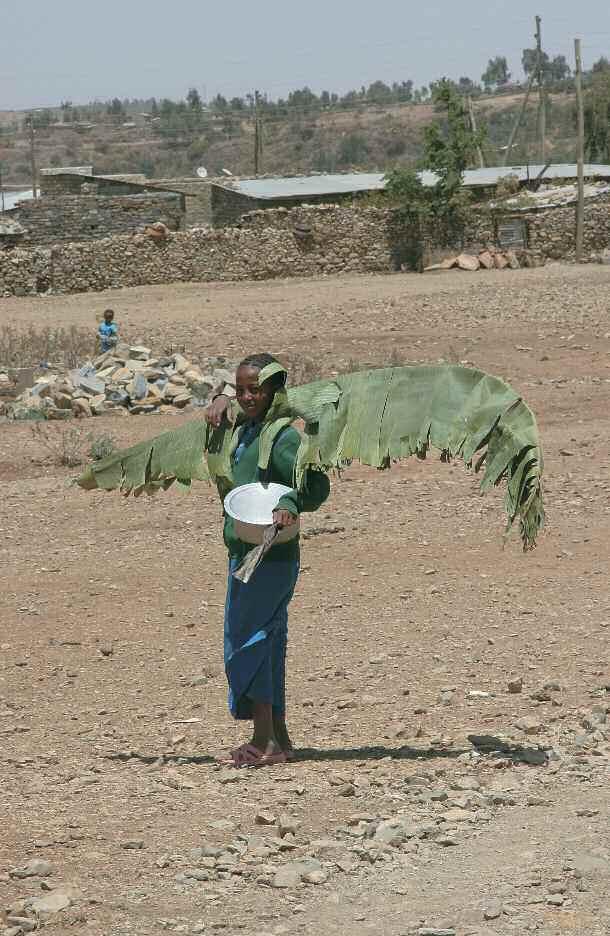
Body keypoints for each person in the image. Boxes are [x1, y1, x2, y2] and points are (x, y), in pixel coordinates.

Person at [205, 353, 330, 768]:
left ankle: (263, 740)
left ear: (275, 389)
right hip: (246, 550)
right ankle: (279, 737)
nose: (247, 396)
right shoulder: (247, 429)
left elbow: (314, 485)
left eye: (255, 389)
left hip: (269, 555)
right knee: (269, 639)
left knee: (249, 642)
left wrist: (291, 501)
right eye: (240, 389)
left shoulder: (283, 438)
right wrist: (222, 397)